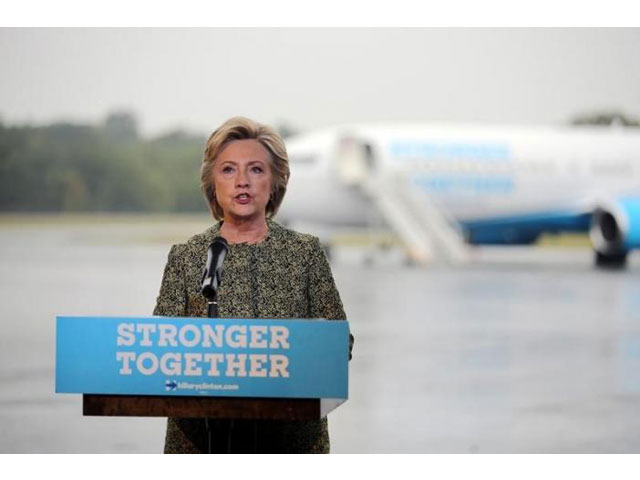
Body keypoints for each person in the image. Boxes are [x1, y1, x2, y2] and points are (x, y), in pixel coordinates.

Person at [153, 116, 353, 453]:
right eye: (229, 170)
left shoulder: (305, 253)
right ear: (212, 182)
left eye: (256, 170)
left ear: (275, 182)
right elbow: (160, 350)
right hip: (202, 443)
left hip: (291, 442)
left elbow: (340, 345)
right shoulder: (186, 256)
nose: (242, 181)